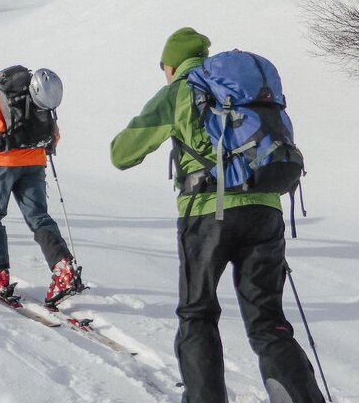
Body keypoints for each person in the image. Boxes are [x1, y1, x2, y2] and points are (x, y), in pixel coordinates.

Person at [109, 27, 325, 403]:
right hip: (266, 207)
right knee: (268, 321)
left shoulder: (180, 90)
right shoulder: (245, 91)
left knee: (198, 314)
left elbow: (121, 154)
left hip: (208, 214)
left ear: (171, 64)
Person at [0, 61, 84, 307]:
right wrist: (45, 150)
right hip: (35, 160)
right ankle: (64, 270)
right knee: (39, 217)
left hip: (2, 163)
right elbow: (53, 129)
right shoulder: (27, 86)